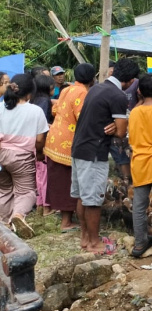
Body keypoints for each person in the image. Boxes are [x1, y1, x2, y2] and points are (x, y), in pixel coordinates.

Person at [72, 58, 136, 255]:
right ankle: (94, 243)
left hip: (79, 148)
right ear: (132, 80)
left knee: (83, 196)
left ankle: (85, 238)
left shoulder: (96, 88)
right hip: (94, 151)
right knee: (93, 200)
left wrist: (114, 126)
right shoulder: (117, 95)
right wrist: (116, 127)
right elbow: (120, 132)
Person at [45, 63, 94, 234]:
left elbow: (55, 109)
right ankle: (66, 222)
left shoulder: (67, 89)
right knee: (67, 181)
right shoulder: (83, 93)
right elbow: (83, 118)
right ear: (93, 78)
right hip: (68, 142)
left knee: (58, 179)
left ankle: (60, 214)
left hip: (54, 138)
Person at [0, 74, 49, 238]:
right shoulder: (35, 111)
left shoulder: (1, 107)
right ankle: (18, 216)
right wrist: (40, 154)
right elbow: (40, 140)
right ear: (30, 93)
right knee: (26, 191)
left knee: (4, 190)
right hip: (22, 158)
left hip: (1, 156)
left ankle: (4, 222)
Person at [128, 74, 152, 258]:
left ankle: (139, 243)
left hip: (139, 162)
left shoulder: (135, 113)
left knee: (139, 205)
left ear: (139, 92)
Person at [31, 74, 54, 217]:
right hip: (43, 142)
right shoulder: (45, 101)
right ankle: (46, 207)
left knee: (39, 175)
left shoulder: (33, 100)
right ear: (48, 87)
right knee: (45, 175)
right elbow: (43, 123)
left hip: (32, 142)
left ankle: (39, 204)